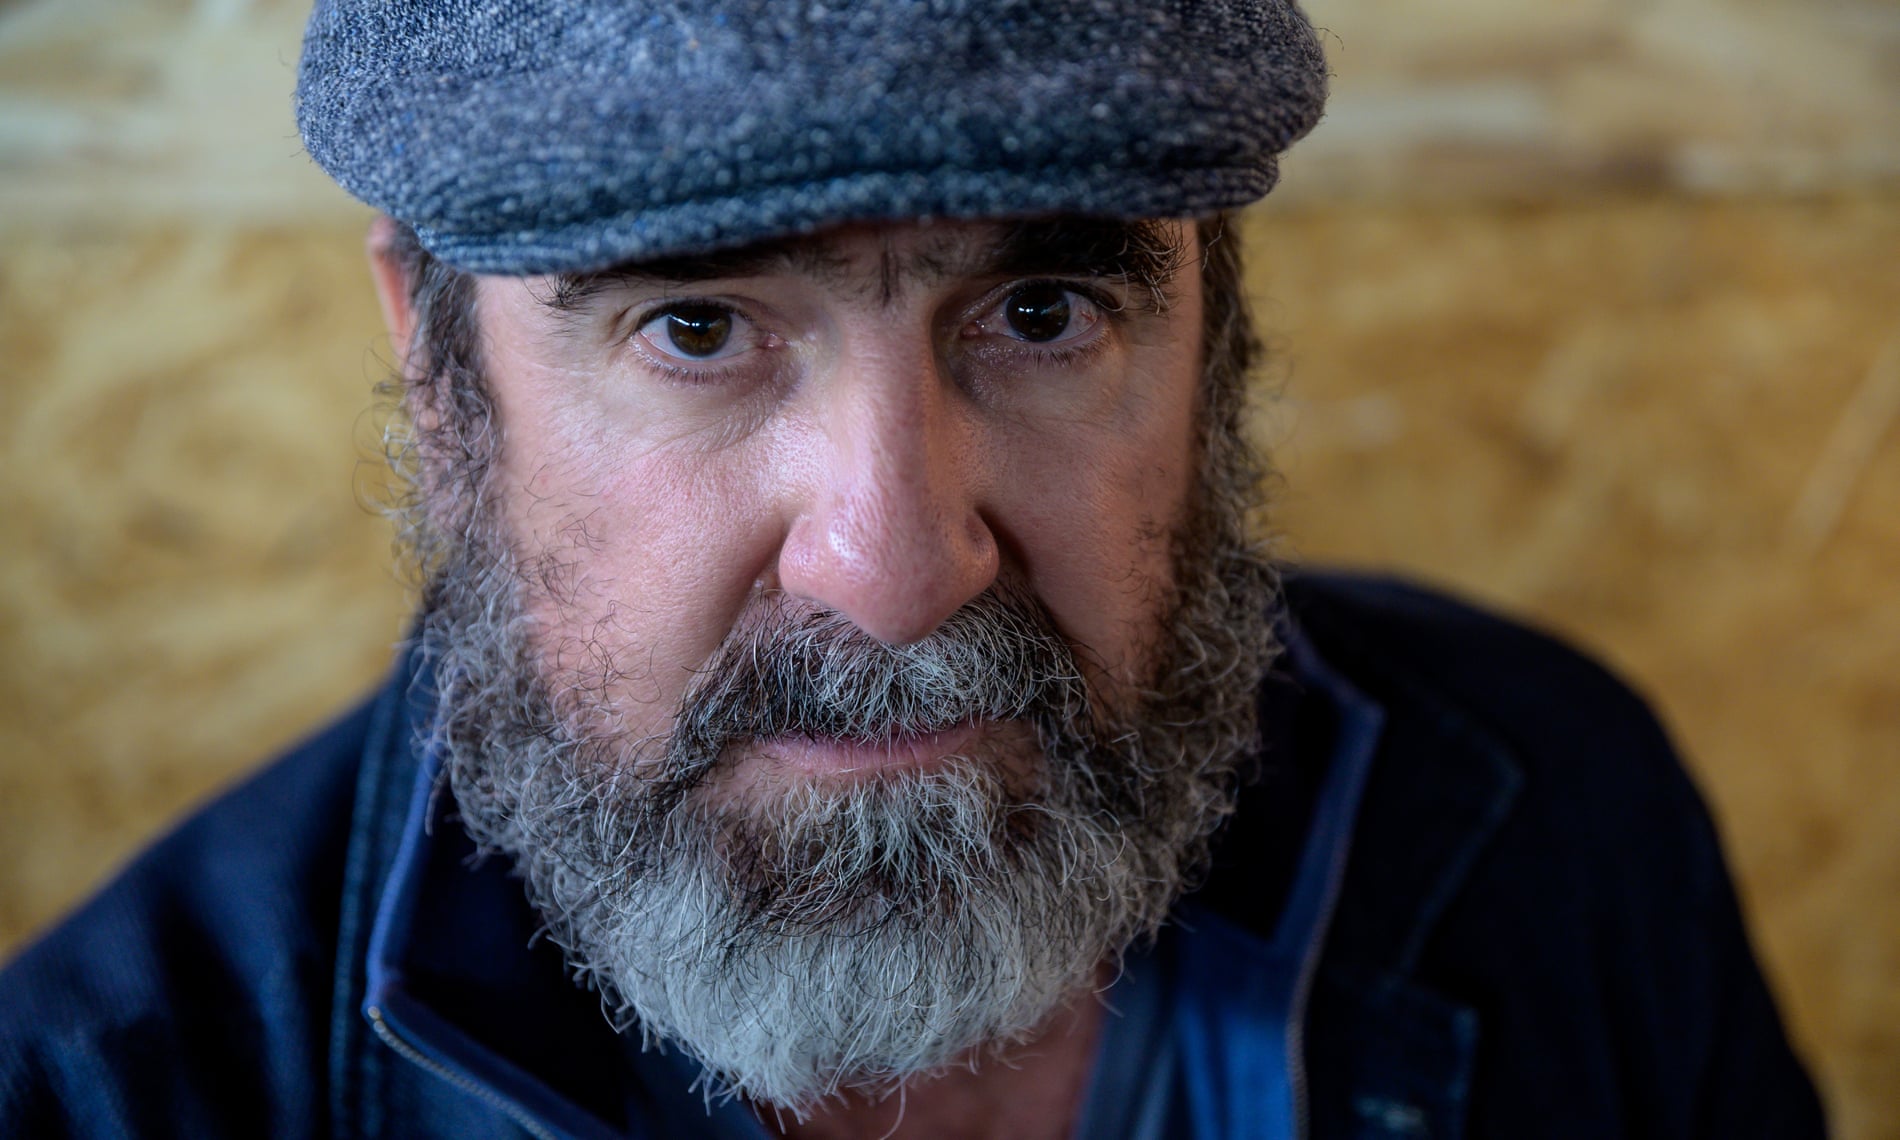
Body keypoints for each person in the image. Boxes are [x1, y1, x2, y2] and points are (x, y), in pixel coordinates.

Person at [0, 1, 1826, 1137]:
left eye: (1043, 313)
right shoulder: (109, 1096)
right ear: (435, 359)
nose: (894, 574)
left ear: (1217, 329)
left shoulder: (1560, 824)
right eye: (698, 328)